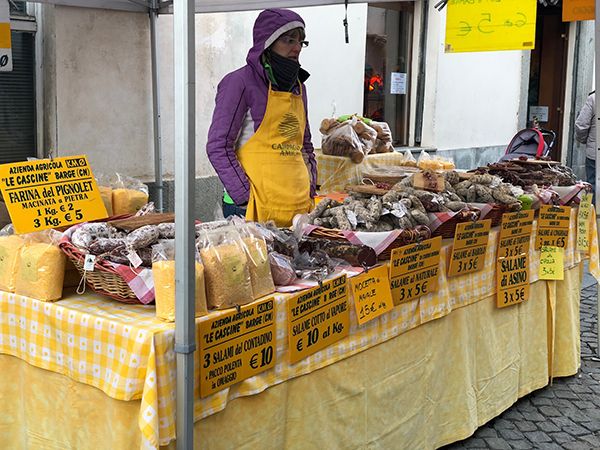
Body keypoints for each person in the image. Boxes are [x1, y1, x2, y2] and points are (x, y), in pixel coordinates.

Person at [206, 8, 317, 227]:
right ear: (268, 41)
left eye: (301, 42)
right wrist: (245, 196)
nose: (296, 48)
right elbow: (218, 146)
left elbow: (305, 145)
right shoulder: (239, 82)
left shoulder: (298, 86)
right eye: (288, 40)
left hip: (297, 206)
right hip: (252, 208)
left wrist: (310, 186)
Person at [575, 91, 596, 191]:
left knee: (592, 184)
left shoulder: (593, 98)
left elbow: (581, 125)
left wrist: (583, 140)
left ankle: (595, 206)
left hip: (595, 153)